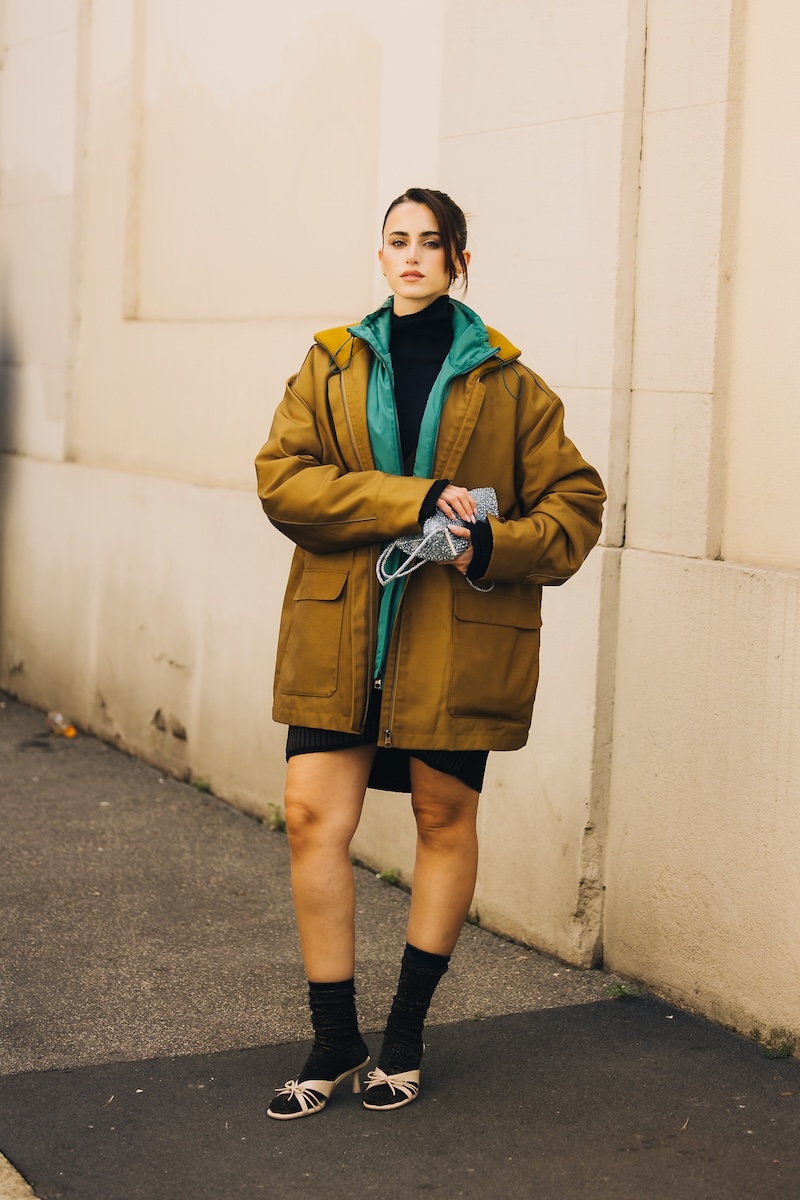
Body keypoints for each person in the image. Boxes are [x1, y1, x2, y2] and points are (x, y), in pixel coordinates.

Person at [255, 187, 605, 1119]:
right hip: (342, 632)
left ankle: (404, 1038)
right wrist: (407, 498)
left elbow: (576, 508)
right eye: (396, 240)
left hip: (454, 642)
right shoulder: (330, 363)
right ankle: (334, 1039)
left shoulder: (513, 387)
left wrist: (488, 546)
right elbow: (282, 482)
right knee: (310, 819)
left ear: (459, 261)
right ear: (380, 256)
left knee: (443, 820)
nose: (411, 255)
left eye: (430, 242)